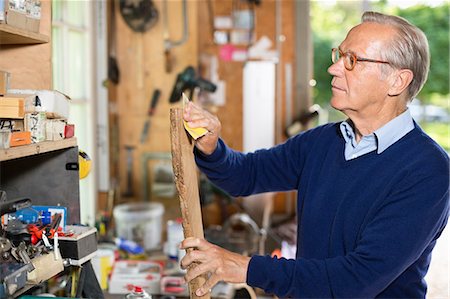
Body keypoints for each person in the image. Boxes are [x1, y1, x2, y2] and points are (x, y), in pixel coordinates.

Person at [180, 11, 449, 298]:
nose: (334, 69)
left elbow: (355, 280)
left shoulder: (427, 170)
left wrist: (244, 267)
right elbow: (246, 175)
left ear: (398, 81)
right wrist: (212, 147)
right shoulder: (324, 141)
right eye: (339, 55)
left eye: (352, 60)